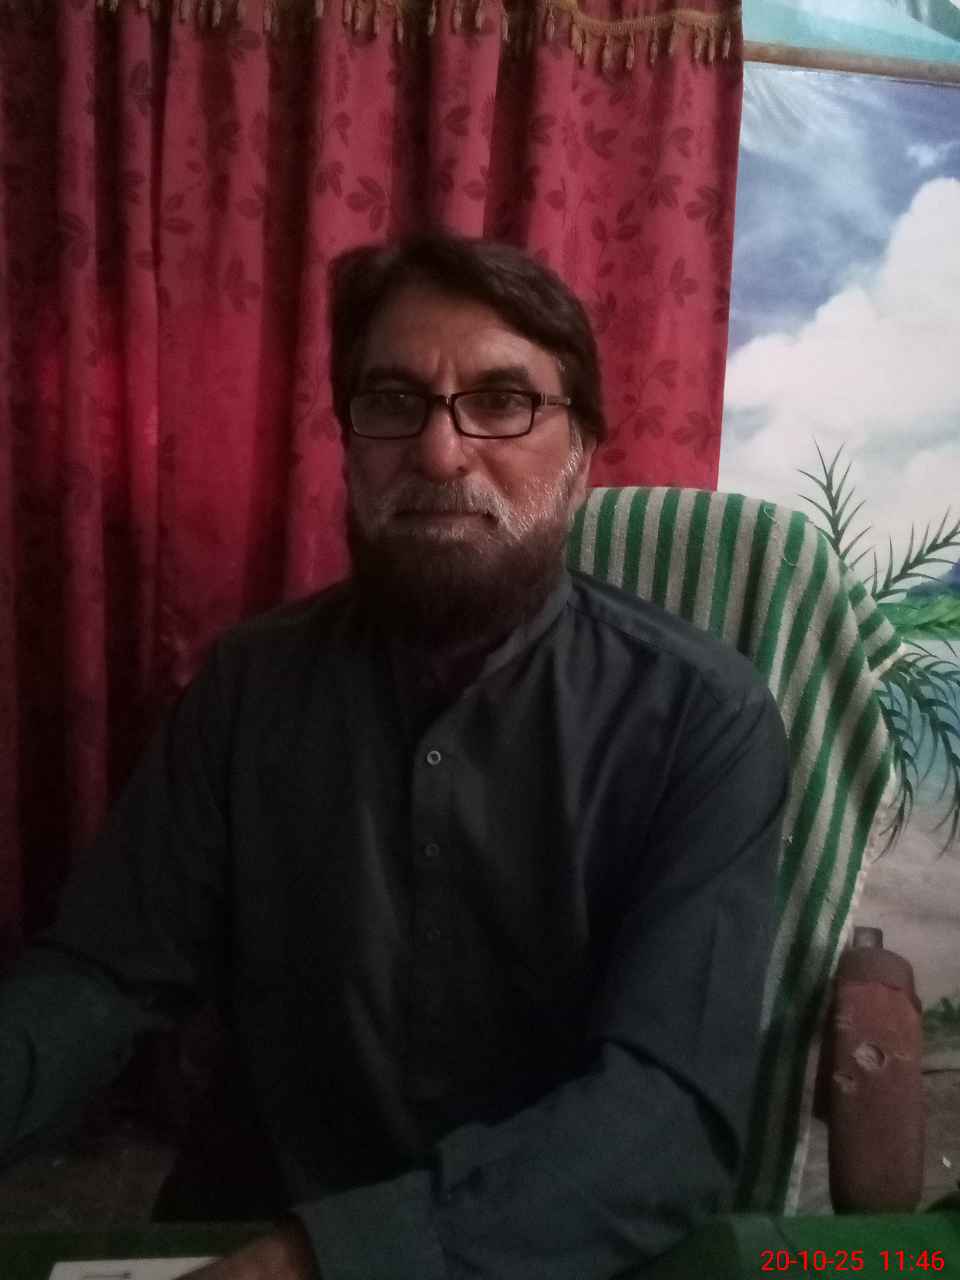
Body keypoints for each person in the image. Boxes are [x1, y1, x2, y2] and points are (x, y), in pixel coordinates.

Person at [0, 232, 789, 1279]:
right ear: (347, 441)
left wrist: (324, 1261)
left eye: (502, 402)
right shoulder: (247, 685)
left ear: (583, 457)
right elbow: (103, 969)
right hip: (242, 1223)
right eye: (392, 401)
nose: (439, 452)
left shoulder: (703, 717)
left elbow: (667, 1112)